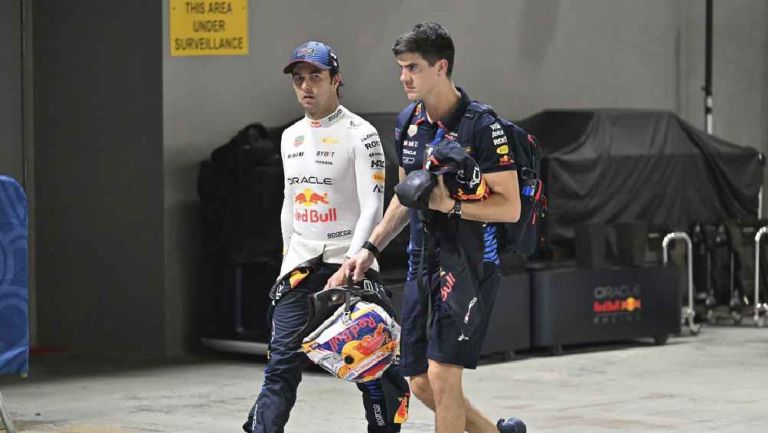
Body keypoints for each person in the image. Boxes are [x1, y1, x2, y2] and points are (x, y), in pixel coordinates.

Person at [346, 23, 528, 433]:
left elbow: (510, 206)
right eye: (400, 67)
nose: (404, 77)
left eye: (412, 67)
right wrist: (370, 249)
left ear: (441, 66)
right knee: (423, 383)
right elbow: (404, 195)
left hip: (469, 262)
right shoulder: (408, 122)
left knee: (445, 377)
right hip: (420, 261)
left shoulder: (483, 127)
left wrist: (453, 206)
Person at [244, 41, 409, 433]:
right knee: (281, 364)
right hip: (300, 269)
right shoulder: (290, 137)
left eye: (315, 77)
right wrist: (287, 263)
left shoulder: (361, 134)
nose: (306, 87)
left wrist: (355, 261)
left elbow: (373, 206)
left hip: (351, 267)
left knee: (372, 367)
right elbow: (290, 203)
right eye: (299, 79)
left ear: (336, 80)